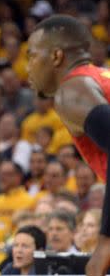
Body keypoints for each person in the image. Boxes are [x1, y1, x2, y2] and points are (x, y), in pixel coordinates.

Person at [26, 14, 110, 275]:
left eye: (32, 56)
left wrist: (105, 243)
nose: (28, 67)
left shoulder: (72, 90)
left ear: (56, 57)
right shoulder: (98, 77)